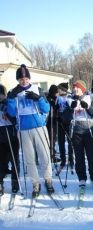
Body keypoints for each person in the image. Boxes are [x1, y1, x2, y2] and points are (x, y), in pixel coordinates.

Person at [7, 64, 54, 197]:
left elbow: (46, 109)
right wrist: (11, 98)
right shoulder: (13, 92)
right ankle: (35, 183)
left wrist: (38, 98)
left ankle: (48, 179)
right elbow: (11, 113)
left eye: (26, 78)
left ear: (29, 78)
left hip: (39, 127)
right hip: (23, 129)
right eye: (21, 78)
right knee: (29, 158)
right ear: (18, 80)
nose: (24, 80)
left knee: (44, 155)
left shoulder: (37, 89)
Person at [63, 80, 93, 187]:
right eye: (74, 88)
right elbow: (64, 117)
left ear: (82, 89)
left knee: (91, 155)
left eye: (77, 88)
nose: (75, 89)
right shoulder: (69, 100)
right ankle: (82, 178)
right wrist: (70, 108)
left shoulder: (89, 98)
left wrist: (88, 107)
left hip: (89, 130)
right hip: (76, 131)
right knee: (79, 156)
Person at [0, 84, 20, 195]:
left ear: (4, 94)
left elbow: (15, 118)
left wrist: (7, 112)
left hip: (11, 133)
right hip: (1, 133)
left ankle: (15, 181)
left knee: (14, 159)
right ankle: (0, 182)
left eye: (1, 95)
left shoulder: (9, 103)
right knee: (1, 160)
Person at [56, 82, 74, 169]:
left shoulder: (69, 98)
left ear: (63, 90)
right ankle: (63, 160)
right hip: (60, 123)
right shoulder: (58, 98)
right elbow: (56, 109)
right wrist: (57, 116)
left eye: (59, 89)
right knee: (61, 142)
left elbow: (71, 109)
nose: (58, 90)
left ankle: (71, 159)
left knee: (70, 141)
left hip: (69, 122)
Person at [46, 84, 60, 163]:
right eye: (56, 92)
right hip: (50, 122)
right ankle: (51, 156)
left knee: (53, 139)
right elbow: (50, 110)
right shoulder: (49, 99)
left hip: (54, 121)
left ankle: (52, 153)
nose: (57, 94)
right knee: (51, 139)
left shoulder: (55, 99)